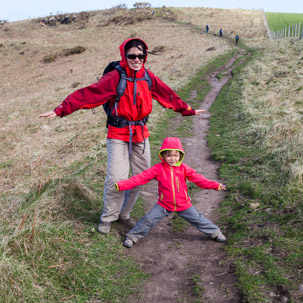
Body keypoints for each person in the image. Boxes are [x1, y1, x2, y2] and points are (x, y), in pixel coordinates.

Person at [39, 38, 205, 234]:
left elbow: (167, 94)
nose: (137, 59)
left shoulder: (148, 77)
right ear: (124, 57)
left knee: (141, 178)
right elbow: (88, 94)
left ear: (145, 57)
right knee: (116, 177)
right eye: (132, 56)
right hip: (118, 133)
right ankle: (108, 217)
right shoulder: (115, 77)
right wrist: (60, 110)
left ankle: (123, 214)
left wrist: (188, 109)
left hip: (141, 134)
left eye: (140, 56)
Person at [115, 137, 227, 248]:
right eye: (169, 155)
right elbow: (140, 178)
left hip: (183, 204)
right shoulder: (158, 169)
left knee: (198, 219)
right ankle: (132, 237)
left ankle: (216, 233)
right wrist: (121, 185)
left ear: (180, 156)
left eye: (175, 156)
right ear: (163, 155)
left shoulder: (184, 168)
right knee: (148, 219)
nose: (172, 159)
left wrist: (215, 185)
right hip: (164, 204)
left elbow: (199, 180)